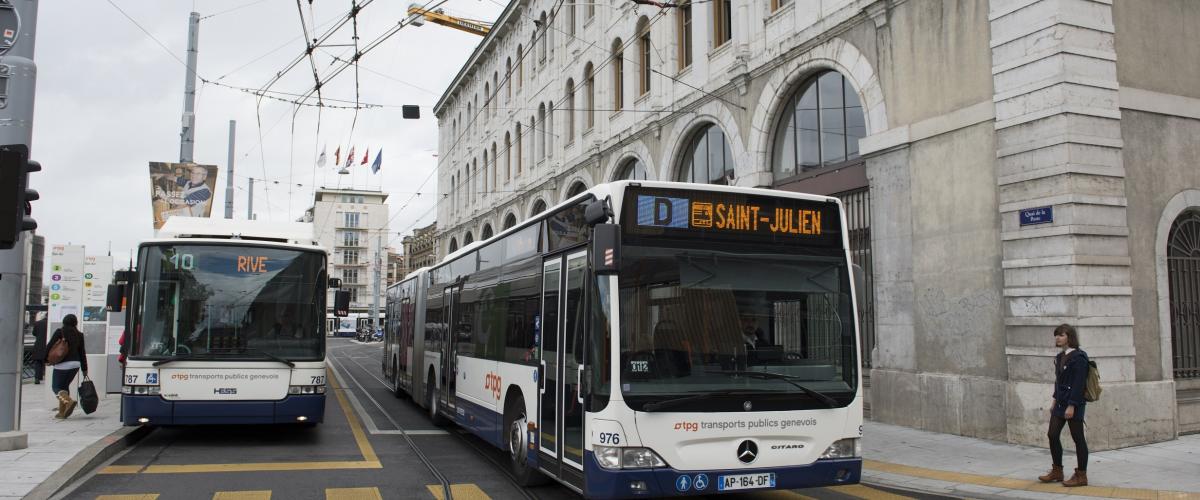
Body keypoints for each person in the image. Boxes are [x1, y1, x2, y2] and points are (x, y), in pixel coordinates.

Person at [1037, 323, 1090, 487]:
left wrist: (1072, 405)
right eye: (1057, 335)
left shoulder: (1079, 358)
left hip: (1074, 403)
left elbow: (1078, 383)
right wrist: (1054, 400)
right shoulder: (1060, 357)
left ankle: (1081, 475)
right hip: (1060, 402)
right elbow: (1059, 381)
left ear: (1070, 337)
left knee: (1078, 438)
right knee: (1052, 434)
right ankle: (1057, 471)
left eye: (1061, 335)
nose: (1057, 338)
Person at [45, 314, 87, 419]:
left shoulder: (60, 332)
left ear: (64, 322)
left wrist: (45, 359)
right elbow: (82, 352)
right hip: (76, 364)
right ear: (75, 323)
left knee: (56, 387)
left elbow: (50, 346)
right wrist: (84, 369)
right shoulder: (79, 335)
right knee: (64, 387)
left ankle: (68, 402)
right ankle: (62, 412)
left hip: (62, 364)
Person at [30, 316, 47, 384]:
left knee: (38, 362)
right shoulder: (49, 323)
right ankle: (46, 376)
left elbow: (34, 333)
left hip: (39, 345)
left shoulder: (38, 323)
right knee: (49, 361)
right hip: (49, 345)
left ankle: (37, 378)